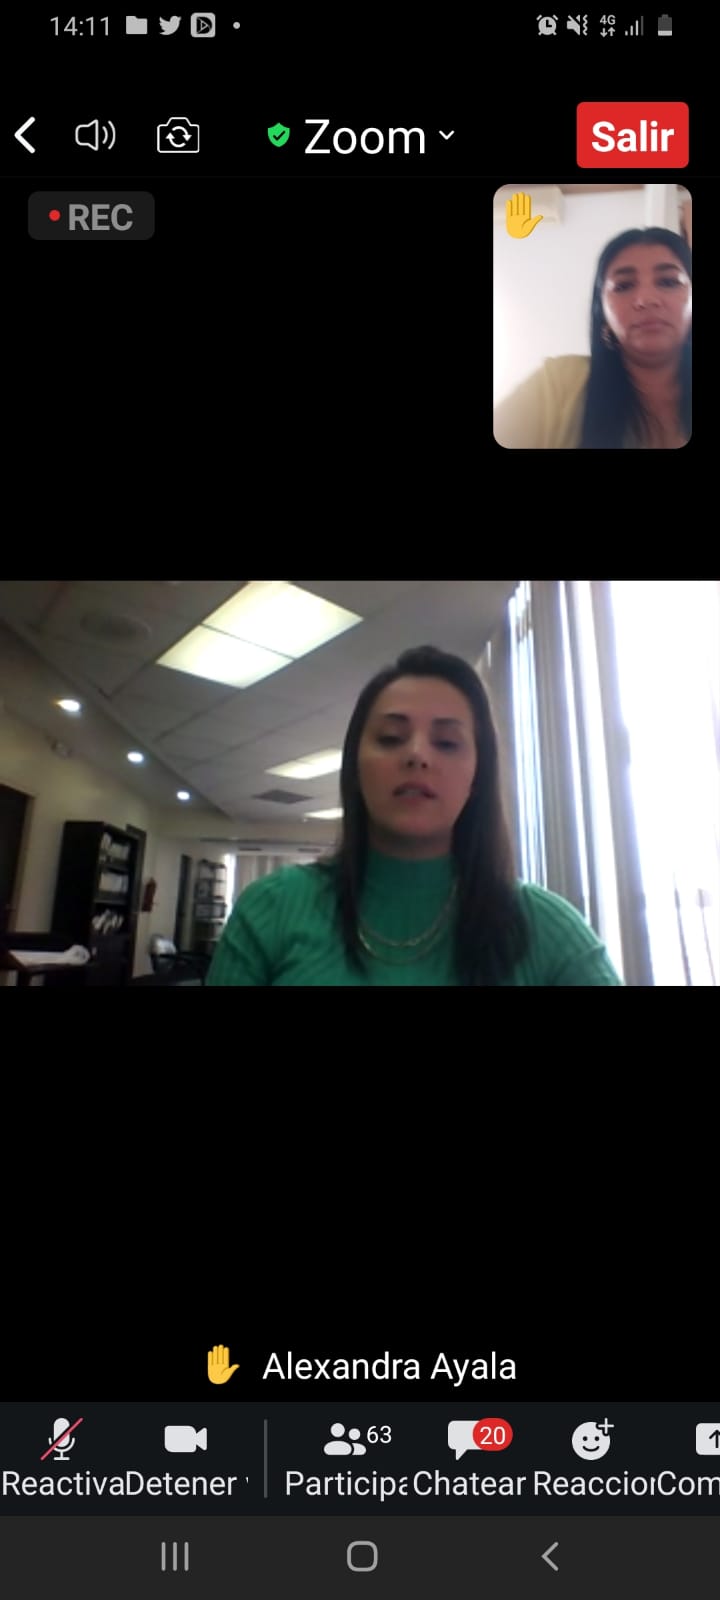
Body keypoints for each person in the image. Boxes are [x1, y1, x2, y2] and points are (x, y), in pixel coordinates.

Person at [206, 645, 624, 986]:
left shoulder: (546, 928)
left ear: (477, 778)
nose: (417, 755)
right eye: (391, 738)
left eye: (446, 743)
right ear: (355, 767)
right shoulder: (271, 908)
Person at [493, 226, 692, 449]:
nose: (646, 299)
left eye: (668, 282)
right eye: (624, 285)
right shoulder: (559, 384)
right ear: (603, 313)